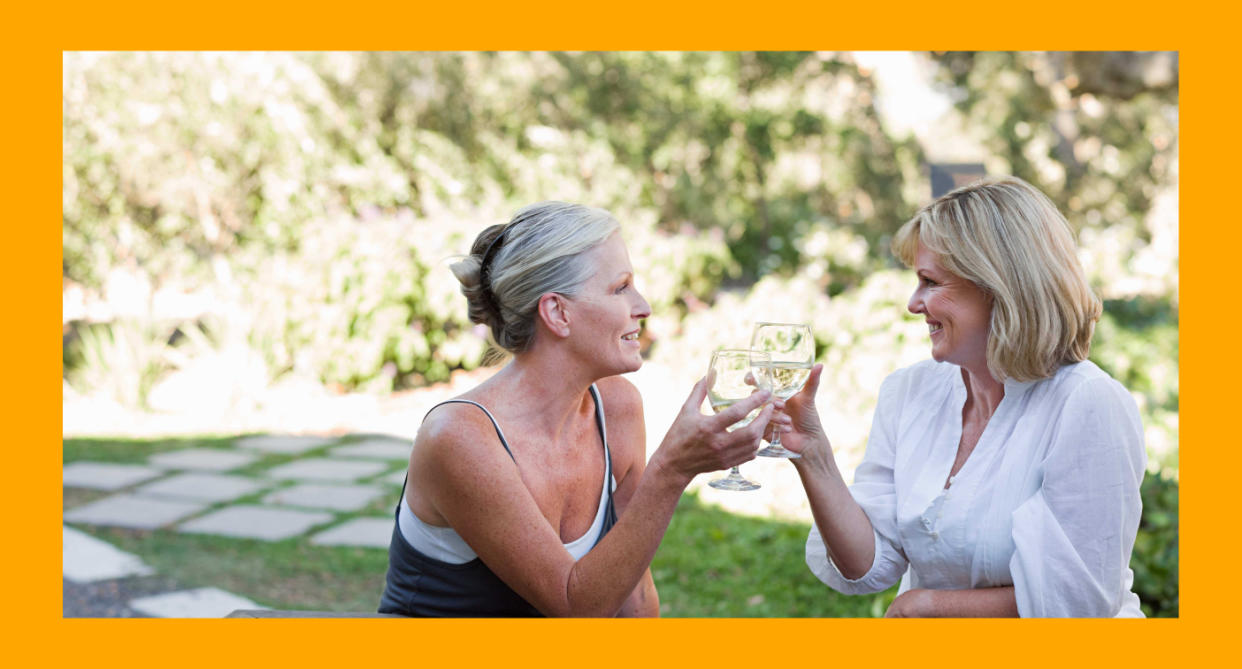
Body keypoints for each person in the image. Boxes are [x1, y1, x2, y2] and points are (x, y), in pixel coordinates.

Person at [378, 201, 773, 617]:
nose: (643, 306)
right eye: (620, 287)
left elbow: (634, 603)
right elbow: (574, 609)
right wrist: (671, 471)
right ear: (557, 313)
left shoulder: (617, 406)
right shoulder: (460, 438)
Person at [776, 176, 1146, 617]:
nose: (914, 303)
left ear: (999, 287)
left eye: (930, 281)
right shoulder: (909, 391)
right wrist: (812, 455)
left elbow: (1077, 607)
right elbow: (868, 566)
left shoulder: (1087, 404)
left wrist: (926, 607)